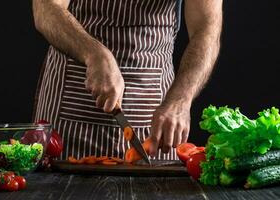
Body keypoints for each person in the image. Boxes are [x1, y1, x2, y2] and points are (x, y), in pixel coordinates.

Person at [32, 0, 223, 160]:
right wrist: (94, 54)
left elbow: (206, 29)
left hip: (154, 120)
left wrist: (180, 100)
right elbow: (45, 8)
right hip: (70, 105)